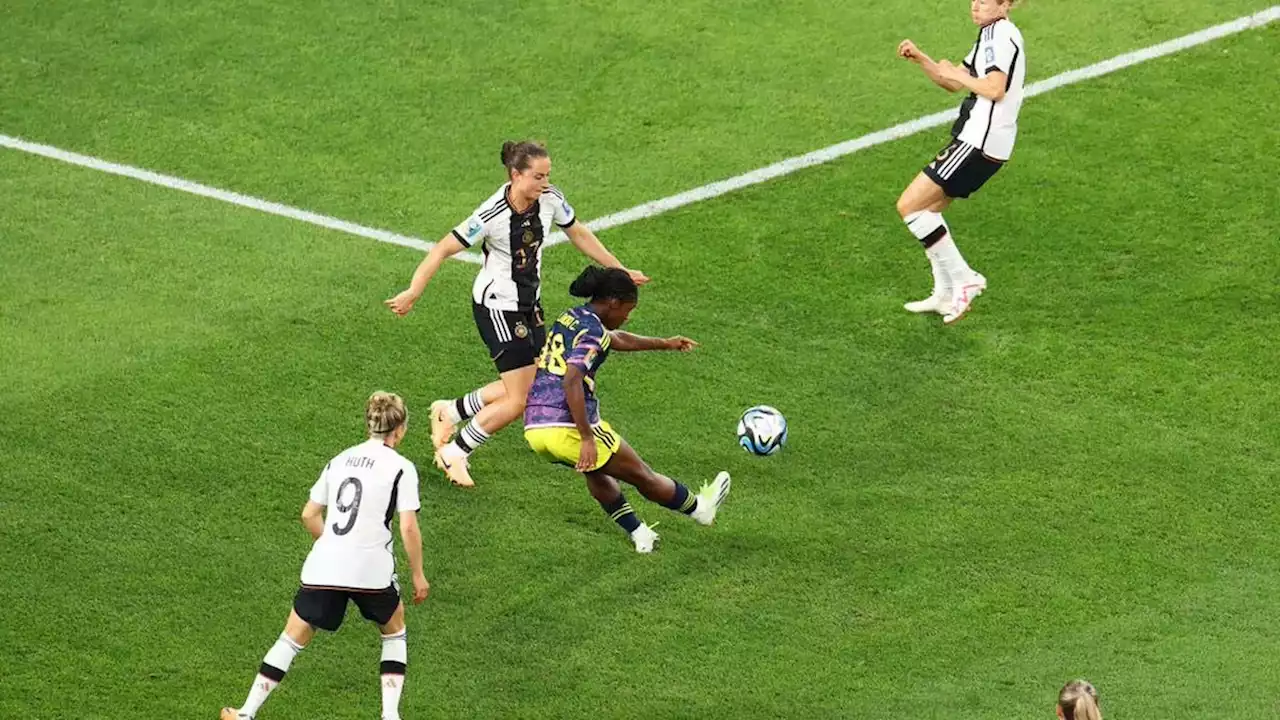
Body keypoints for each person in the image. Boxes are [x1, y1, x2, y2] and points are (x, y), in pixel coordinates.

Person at [386, 140, 648, 488]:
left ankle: (450, 412)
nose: (544, 183)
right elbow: (442, 249)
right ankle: (456, 452)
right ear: (515, 175)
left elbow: (578, 232)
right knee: (522, 397)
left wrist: (619, 270)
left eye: (547, 175)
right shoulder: (491, 215)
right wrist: (413, 291)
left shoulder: (550, 198)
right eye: (538, 176)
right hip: (497, 307)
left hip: (529, 306)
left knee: (531, 381)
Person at [220, 392, 429, 720]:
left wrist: (332, 542)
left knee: (292, 637)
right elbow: (408, 528)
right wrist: (418, 574)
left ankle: (245, 713)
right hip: (371, 570)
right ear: (399, 429)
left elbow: (309, 514)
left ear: (369, 424)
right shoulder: (402, 468)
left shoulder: (340, 459)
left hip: (325, 564)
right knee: (394, 630)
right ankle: (390, 716)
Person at [524, 266, 731, 553]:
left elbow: (616, 338)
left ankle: (640, 534)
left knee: (595, 472)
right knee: (643, 476)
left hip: (535, 428)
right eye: (628, 309)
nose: (627, 316)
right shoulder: (594, 332)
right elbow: (572, 380)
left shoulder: (571, 316)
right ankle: (700, 509)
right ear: (613, 302)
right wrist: (586, 438)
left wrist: (665, 344)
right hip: (568, 425)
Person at [896, 0, 1026, 323]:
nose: (975, 5)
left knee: (910, 206)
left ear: (1005, 4)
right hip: (984, 142)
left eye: (984, 1)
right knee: (929, 213)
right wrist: (922, 58)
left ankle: (965, 278)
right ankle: (943, 293)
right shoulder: (988, 35)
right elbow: (953, 81)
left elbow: (995, 88)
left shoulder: (1001, 35)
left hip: (978, 142)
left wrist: (958, 75)